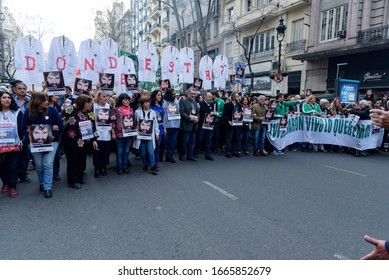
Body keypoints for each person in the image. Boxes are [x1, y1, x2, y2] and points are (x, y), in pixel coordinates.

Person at [21, 92, 63, 198]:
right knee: (39, 165)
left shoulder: (52, 110)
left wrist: (54, 135)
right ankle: (42, 182)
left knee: (48, 163)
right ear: (37, 101)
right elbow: (23, 129)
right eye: (44, 100)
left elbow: (60, 125)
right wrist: (30, 137)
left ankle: (47, 187)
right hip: (35, 142)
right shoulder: (28, 112)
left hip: (52, 141)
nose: (47, 102)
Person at [61, 94, 98, 189]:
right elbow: (60, 121)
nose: (90, 105)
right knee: (73, 161)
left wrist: (94, 139)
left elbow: (93, 126)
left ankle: (80, 177)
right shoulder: (69, 110)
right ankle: (73, 181)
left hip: (84, 141)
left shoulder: (88, 113)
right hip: (70, 141)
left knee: (82, 160)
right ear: (82, 103)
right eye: (88, 103)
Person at [0, 90, 23, 198]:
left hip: (14, 144)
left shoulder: (17, 112)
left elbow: (22, 127)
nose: (7, 100)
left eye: (9, 98)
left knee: (13, 166)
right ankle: (5, 183)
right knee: (1, 166)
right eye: (4, 98)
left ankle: (13, 185)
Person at [11, 80, 31, 183]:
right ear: (14, 90)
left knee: (25, 153)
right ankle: (12, 176)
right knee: (13, 154)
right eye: (19, 88)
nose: (22, 90)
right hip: (12, 129)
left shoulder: (30, 100)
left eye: (24, 88)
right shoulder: (10, 100)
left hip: (26, 130)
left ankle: (23, 174)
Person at [134, 96, 159, 174]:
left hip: (150, 136)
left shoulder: (153, 112)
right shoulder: (137, 112)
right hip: (141, 136)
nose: (147, 104)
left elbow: (155, 124)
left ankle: (153, 166)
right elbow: (135, 123)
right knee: (143, 152)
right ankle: (145, 164)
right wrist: (136, 132)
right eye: (145, 102)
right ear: (142, 104)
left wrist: (157, 133)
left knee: (151, 151)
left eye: (148, 102)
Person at [93, 91, 115, 178]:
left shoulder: (108, 106)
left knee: (105, 152)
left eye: (106, 96)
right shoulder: (93, 106)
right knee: (97, 152)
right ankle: (97, 169)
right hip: (97, 132)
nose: (106, 98)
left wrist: (112, 118)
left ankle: (102, 167)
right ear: (98, 97)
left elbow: (112, 119)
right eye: (103, 96)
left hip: (107, 132)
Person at [112, 93, 134, 175]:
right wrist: (113, 132)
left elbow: (133, 121)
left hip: (129, 133)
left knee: (127, 151)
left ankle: (125, 166)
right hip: (119, 133)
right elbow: (112, 122)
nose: (127, 101)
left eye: (128, 99)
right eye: (125, 99)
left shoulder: (131, 110)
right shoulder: (116, 109)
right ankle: (119, 167)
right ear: (121, 100)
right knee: (120, 151)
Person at [179, 88, 199, 161]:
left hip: (194, 125)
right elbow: (181, 112)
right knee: (185, 141)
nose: (193, 95)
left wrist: (197, 118)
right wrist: (190, 118)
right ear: (187, 94)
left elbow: (197, 112)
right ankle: (182, 155)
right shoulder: (183, 101)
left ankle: (190, 155)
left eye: (194, 94)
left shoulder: (195, 103)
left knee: (192, 141)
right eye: (192, 93)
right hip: (186, 124)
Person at [163, 88, 180, 163]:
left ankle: (169, 156)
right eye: (173, 94)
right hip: (167, 124)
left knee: (172, 141)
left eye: (175, 94)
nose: (174, 95)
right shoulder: (163, 102)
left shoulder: (177, 101)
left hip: (175, 124)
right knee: (164, 141)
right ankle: (161, 155)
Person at [222, 92, 243, 158]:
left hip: (237, 123)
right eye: (236, 96)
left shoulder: (239, 105)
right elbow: (224, 115)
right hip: (230, 124)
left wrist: (242, 115)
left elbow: (240, 114)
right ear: (233, 97)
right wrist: (228, 121)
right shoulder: (227, 105)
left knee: (236, 138)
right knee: (229, 138)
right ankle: (228, 151)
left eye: (238, 96)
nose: (238, 97)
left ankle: (235, 151)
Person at [196, 92, 215, 161]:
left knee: (209, 140)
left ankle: (208, 154)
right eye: (209, 97)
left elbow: (216, 112)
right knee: (199, 139)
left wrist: (214, 113)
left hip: (210, 124)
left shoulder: (213, 104)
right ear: (205, 97)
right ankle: (196, 152)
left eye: (211, 97)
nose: (210, 98)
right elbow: (197, 113)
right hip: (202, 124)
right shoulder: (200, 104)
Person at [150, 89, 166, 168]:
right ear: (154, 96)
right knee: (153, 146)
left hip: (161, 128)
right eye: (158, 95)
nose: (160, 96)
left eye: (160, 95)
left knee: (158, 145)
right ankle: (151, 161)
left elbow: (163, 118)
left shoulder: (161, 106)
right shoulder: (150, 106)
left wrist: (165, 128)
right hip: (153, 129)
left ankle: (157, 160)